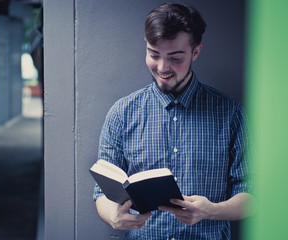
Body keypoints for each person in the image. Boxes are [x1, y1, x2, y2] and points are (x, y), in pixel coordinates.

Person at [93, 3, 254, 240]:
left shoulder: (231, 113)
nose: (162, 68)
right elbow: (102, 193)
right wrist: (113, 216)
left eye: (175, 57)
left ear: (195, 52)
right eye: (153, 54)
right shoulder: (121, 113)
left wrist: (211, 211)